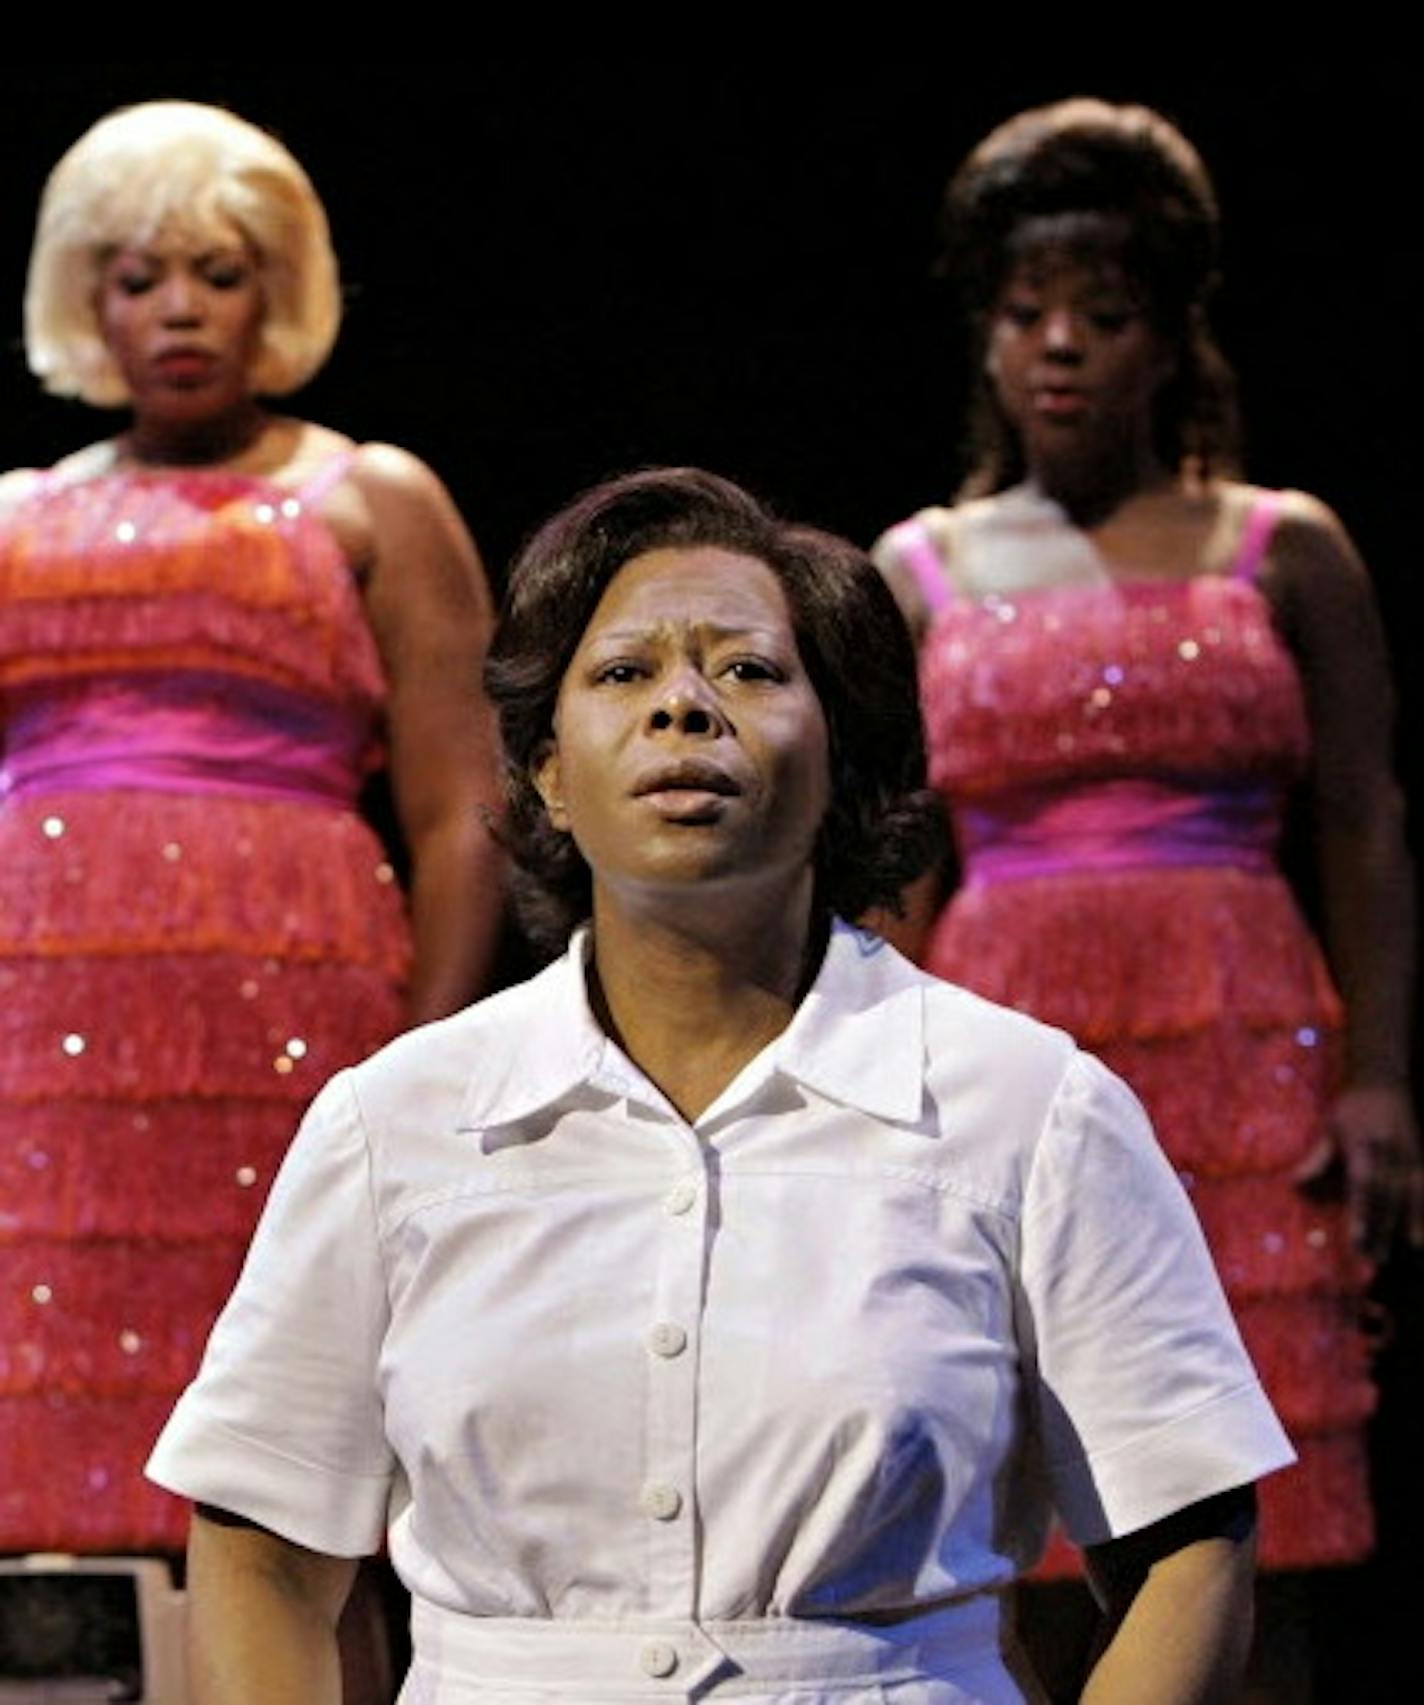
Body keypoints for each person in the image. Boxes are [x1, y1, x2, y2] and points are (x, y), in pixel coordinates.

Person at [148, 466, 1293, 1702]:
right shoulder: (397, 1120)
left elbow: (1185, 1543)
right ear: (543, 768)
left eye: (746, 671)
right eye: (623, 673)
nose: (683, 707)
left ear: (840, 751)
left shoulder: (1027, 1107)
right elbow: (261, 1545)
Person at [872, 98, 1421, 1692]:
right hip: (1007, 1031)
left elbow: (1368, 824)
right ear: (981, 336)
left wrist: (1380, 1074)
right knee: (1024, 1480)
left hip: (1246, 1047)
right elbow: (892, 864)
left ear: (1171, 338)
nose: (1061, 349)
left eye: (1103, 318)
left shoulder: (1282, 548)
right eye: (1025, 314)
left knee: (1256, 1492)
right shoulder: (922, 567)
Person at [0, 99, 503, 1569]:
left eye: (216, 273)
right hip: (38, 1041)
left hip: (288, 1013)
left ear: (275, 289)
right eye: (140, 274)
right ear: (86, 295)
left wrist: (425, 1064)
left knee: (292, 1443)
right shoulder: (16, 515)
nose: (178, 311)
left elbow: (463, 808)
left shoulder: (370, 496)